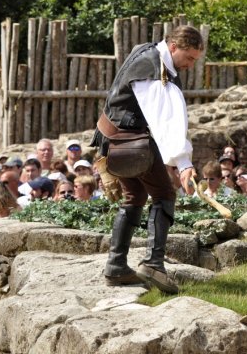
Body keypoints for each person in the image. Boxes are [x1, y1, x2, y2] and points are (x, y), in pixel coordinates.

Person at [91, 25, 203, 294]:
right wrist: (184, 163)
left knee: (135, 197)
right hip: (128, 141)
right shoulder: (155, 71)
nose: (190, 65)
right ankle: (153, 264)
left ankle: (117, 266)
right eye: (188, 57)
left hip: (117, 136)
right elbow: (165, 120)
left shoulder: (149, 52)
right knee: (164, 194)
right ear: (174, 47)